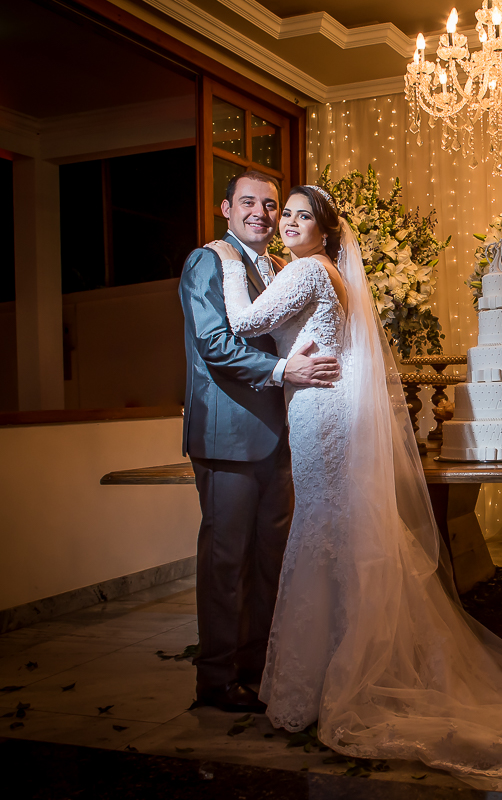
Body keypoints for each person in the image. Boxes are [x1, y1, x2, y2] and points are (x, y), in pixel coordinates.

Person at [207, 185, 502, 798]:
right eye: (286, 215)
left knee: (324, 533)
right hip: (322, 410)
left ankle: (334, 682)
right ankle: (338, 672)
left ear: (326, 230)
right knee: (335, 535)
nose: (290, 224)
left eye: (303, 216)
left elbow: (243, 322)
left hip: (320, 414)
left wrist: (224, 261)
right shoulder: (324, 270)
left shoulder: (303, 271)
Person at [179, 171, 339, 713]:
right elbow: (215, 343)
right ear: (225, 208)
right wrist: (282, 370)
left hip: (282, 436)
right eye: (249, 202)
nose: (263, 213)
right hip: (228, 436)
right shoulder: (207, 261)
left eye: (272, 205)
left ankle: (258, 664)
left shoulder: (279, 266)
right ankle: (216, 678)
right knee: (227, 561)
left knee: (272, 558)